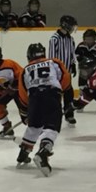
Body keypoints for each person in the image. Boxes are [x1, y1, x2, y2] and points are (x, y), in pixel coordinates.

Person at [16, 43, 72, 177]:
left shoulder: (26, 69)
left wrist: (25, 112)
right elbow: (65, 78)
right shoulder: (54, 62)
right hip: (51, 94)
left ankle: (23, 154)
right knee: (51, 127)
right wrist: (64, 95)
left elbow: (23, 93)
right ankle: (43, 152)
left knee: (34, 126)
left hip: (34, 97)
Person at [0, 45, 26, 140]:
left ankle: (38, 128)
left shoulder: (9, 64)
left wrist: (14, 85)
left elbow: (23, 76)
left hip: (19, 91)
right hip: (6, 92)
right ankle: (7, 128)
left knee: (25, 113)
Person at [48, 15, 78, 126]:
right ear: (65, 25)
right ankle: (54, 114)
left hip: (67, 72)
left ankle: (69, 114)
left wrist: (73, 64)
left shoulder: (71, 39)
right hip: (57, 72)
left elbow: (72, 53)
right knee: (56, 93)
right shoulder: (54, 38)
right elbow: (51, 57)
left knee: (69, 93)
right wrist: (54, 71)